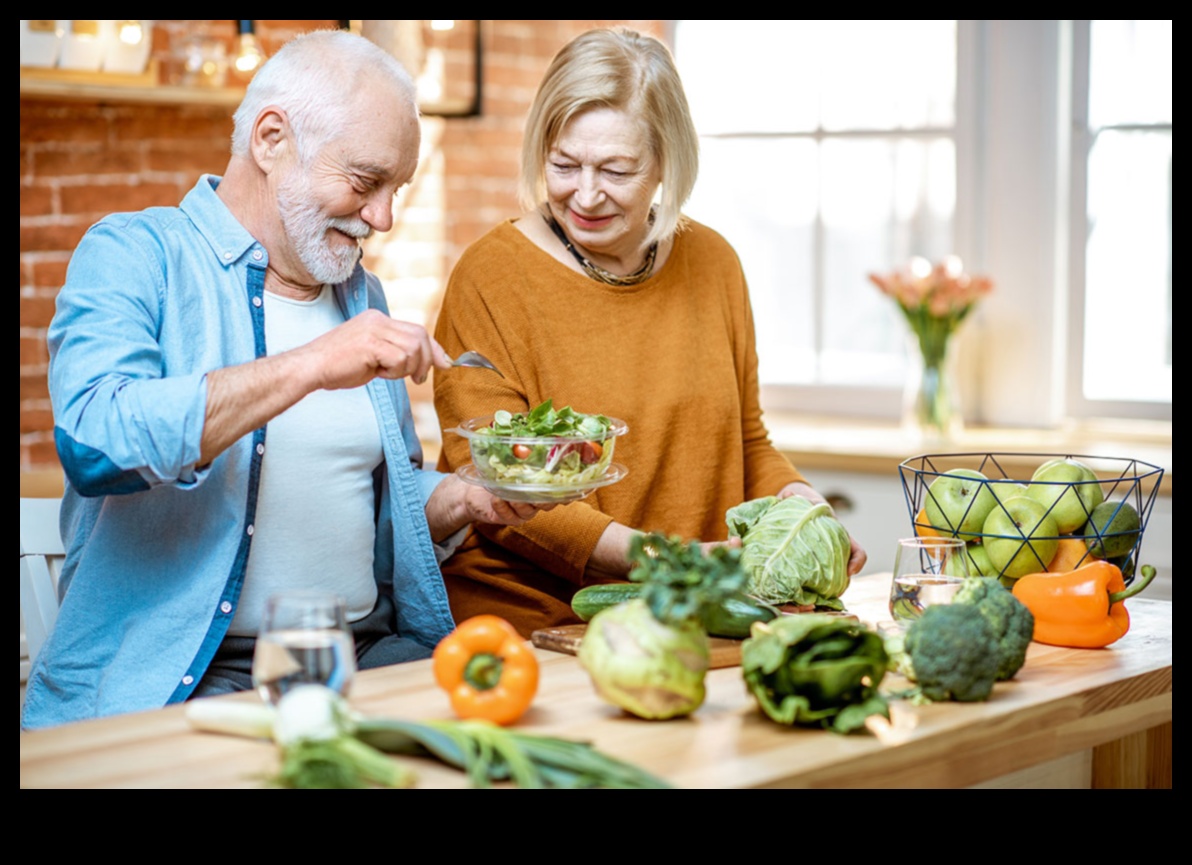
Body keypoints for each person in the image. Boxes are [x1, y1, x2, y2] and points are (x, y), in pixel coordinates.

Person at [22, 30, 537, 730]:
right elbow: (96, 441)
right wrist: (311, 365)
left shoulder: (362, 297)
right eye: (364, 182)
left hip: (371, 658)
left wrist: (463, 498)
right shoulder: (135, 253)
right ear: (270, 139)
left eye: (396, 189)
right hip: (193, 680)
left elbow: (369, 502)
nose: (382, 217)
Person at [432, 28, 867, 637]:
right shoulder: (491, 276)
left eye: (616, 169)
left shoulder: (714, 262)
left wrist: (804, 510)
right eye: (563, 164)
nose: (584, 194)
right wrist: (668, 561)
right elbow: (494, 485)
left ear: (666, 161)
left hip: (693, 613)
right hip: (538, 624)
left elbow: (746, 439)